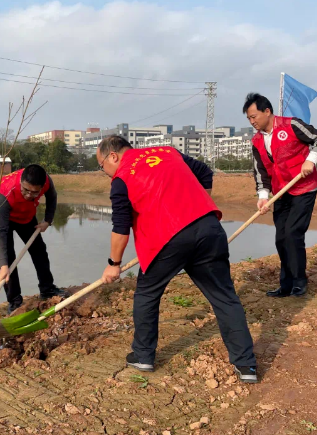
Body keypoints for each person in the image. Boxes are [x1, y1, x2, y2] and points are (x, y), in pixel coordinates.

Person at [97, 136, 258, 383]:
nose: (105, 173)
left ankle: (142, 355)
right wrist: (196, 206)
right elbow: (205, 172)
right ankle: (246, 366)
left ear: (113, 156)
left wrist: (113, 264)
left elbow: (121, 227)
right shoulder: (167, 152)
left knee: (147, 293)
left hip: (168, 238)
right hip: (209, 228)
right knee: (225, 297)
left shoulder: (121, 179)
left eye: (101, 166)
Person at [244, 93, 317, 298]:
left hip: (303, 188)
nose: (252, 121)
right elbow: (261, 172)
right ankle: (286, 285)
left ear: (267, 111)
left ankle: (300, 282)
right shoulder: (256, 141)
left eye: (254, 116)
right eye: (248, 118)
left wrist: (311, 160)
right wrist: (263, 196)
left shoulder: (291, 125)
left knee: (293, 233)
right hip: (280, 193)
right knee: (281, 238)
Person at [0, 164, 68, 314]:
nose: (28, 196)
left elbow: (52, 196)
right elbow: (2, 232)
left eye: (34, 192)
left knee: (39, 251)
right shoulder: (6, 192)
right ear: (21, 183)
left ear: (41, 186)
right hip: (2, 216)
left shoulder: (46, 182)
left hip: (25, 215)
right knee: (8, 261)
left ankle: (47, 289)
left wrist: (48, 220)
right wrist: (3, 264)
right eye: (25, 190)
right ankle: (14, 300)